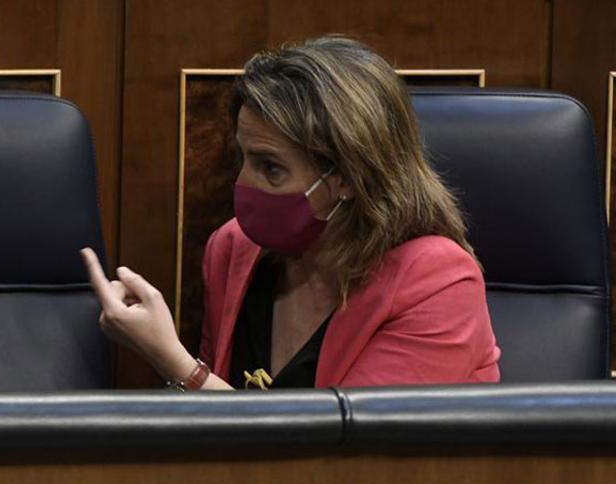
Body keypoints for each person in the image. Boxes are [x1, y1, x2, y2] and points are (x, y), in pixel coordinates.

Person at [82, 36, 500, 390]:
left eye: (271, 167)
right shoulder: (234, 249)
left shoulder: (438, 285)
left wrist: (176, 363)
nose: (245, 183)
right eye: (242, 159)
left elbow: (345, 466)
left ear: (347, 179)